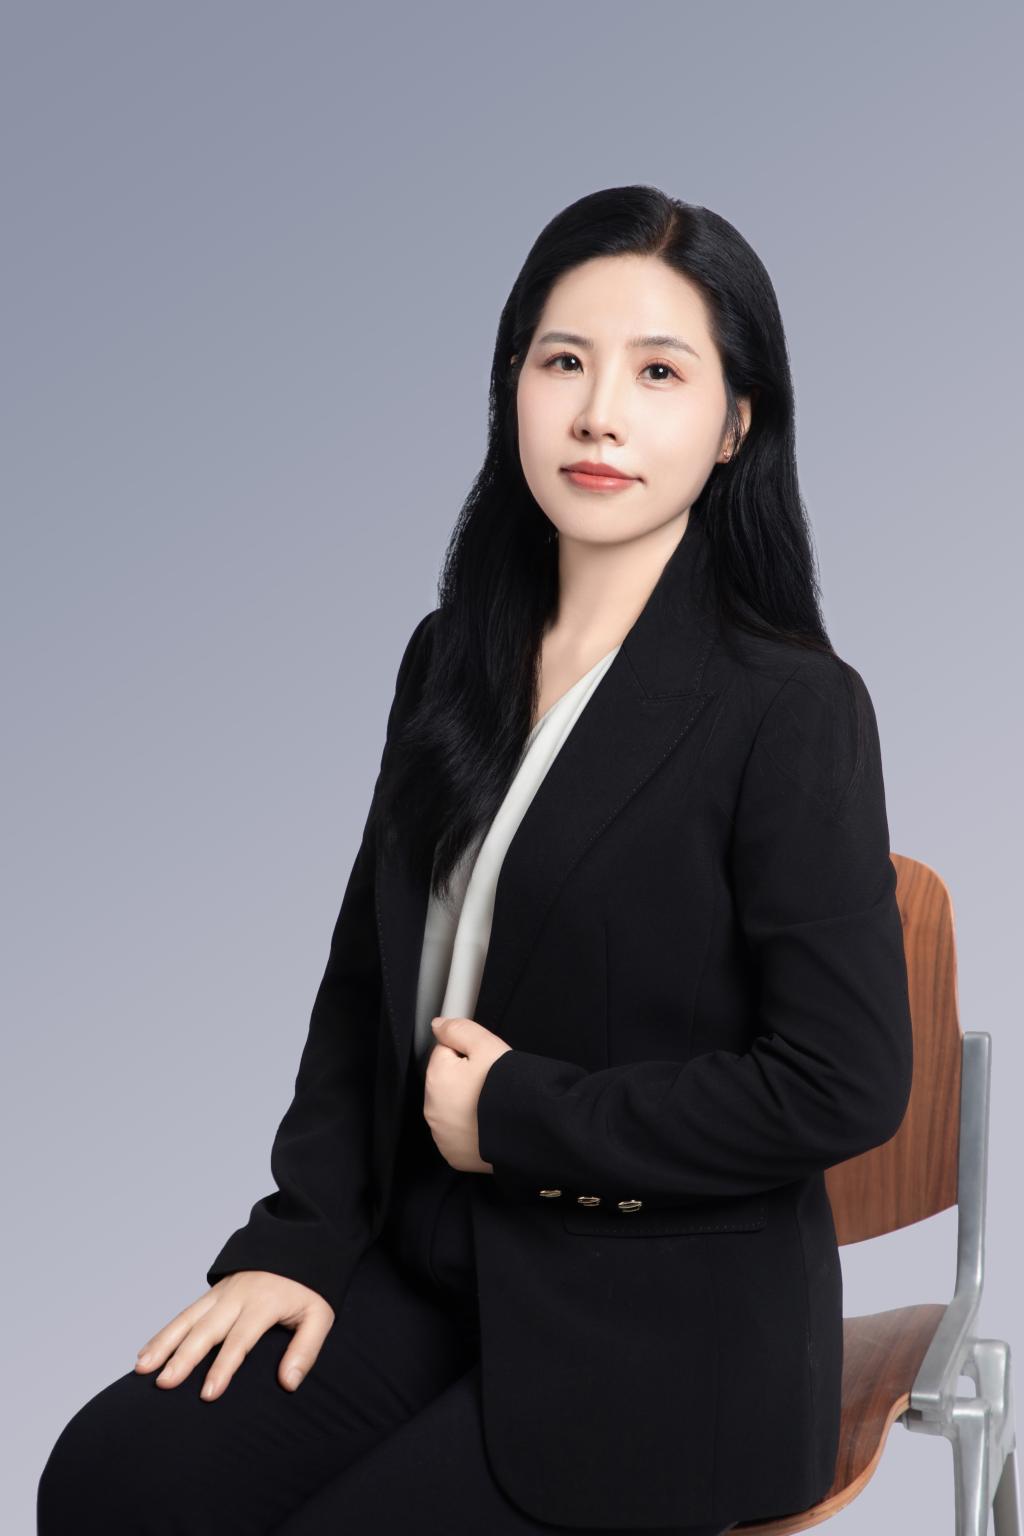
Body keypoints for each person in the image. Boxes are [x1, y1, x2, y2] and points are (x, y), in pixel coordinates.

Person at [37, 185, 912, 1535]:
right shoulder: (451, 656)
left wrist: (518, 1116)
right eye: (563, 362)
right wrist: (296, 1242)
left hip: (667, 1329)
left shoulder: (791, 710)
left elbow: (843, 1081)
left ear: (737, 422)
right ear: (513, 388)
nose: (598, 414)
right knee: (111, 1487)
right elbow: (362, 984)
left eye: (659, 373)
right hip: (430, 1265)